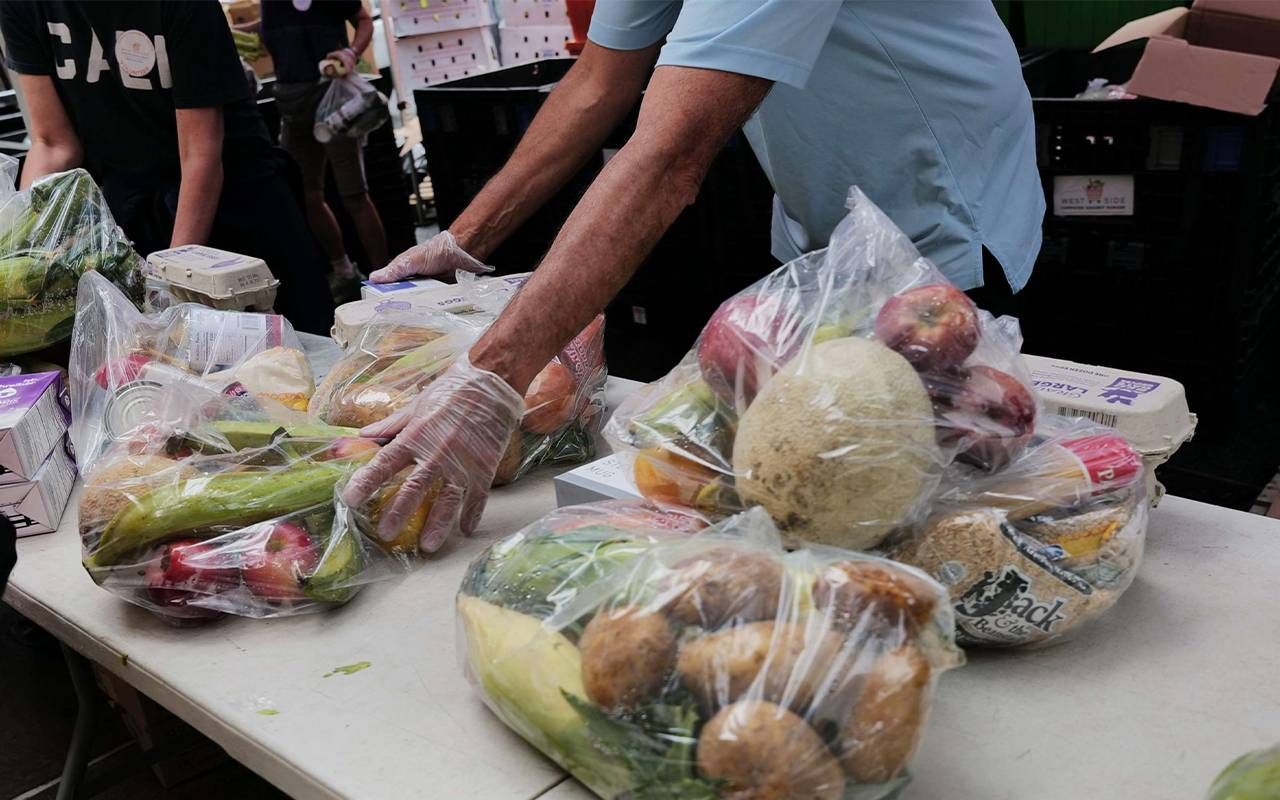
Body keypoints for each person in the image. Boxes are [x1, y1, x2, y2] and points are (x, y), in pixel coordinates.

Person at [343, 0, 1045, 552]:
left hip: (938, 214)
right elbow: (599, 80)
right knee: (823, 462)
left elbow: (672, 152)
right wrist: (467, 239)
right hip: (825, 228)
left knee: (928, 490)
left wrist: (494, 373)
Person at [0, 0, 335, 335]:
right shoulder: (23, 7)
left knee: (280, 357)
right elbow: (54, 145)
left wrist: (168, 289)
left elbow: (199, 154)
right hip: (133, 219)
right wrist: (16, 254)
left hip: (232, 204)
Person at [255, 0, 388, 294]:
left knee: (354, 194)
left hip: (333, 97)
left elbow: (364, 20)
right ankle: (342, 268)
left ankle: (387, 275)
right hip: (290, 103)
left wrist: (351, 52)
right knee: (307, 194)